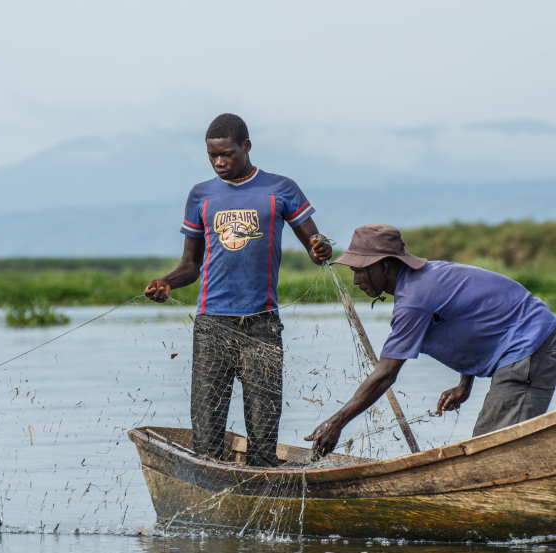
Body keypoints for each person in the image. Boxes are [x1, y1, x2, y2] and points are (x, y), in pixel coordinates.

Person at [145, 113, 331, 466]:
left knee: (263, 436)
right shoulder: (201, 195)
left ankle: (261, 479)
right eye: (212, 156)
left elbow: (316, 246)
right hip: (212, 324)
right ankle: (210, 478)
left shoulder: (280, 189)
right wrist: (167, 282)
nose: (219, 163)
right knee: (207, 429)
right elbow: (190, 266)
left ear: (246, 147)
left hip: (261, 324)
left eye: (226, 154)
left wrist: (321, 248)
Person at [306, 224, 556, 456]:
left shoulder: (415, 297)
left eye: (359, 270)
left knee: (491, 452)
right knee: (489, 449)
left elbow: (385, 373)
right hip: (527, 343)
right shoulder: (421, 281)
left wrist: (335, 423)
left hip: (531, 346)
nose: (355, 280)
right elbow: (471, 324)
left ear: (383, 267)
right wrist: (464, 385)